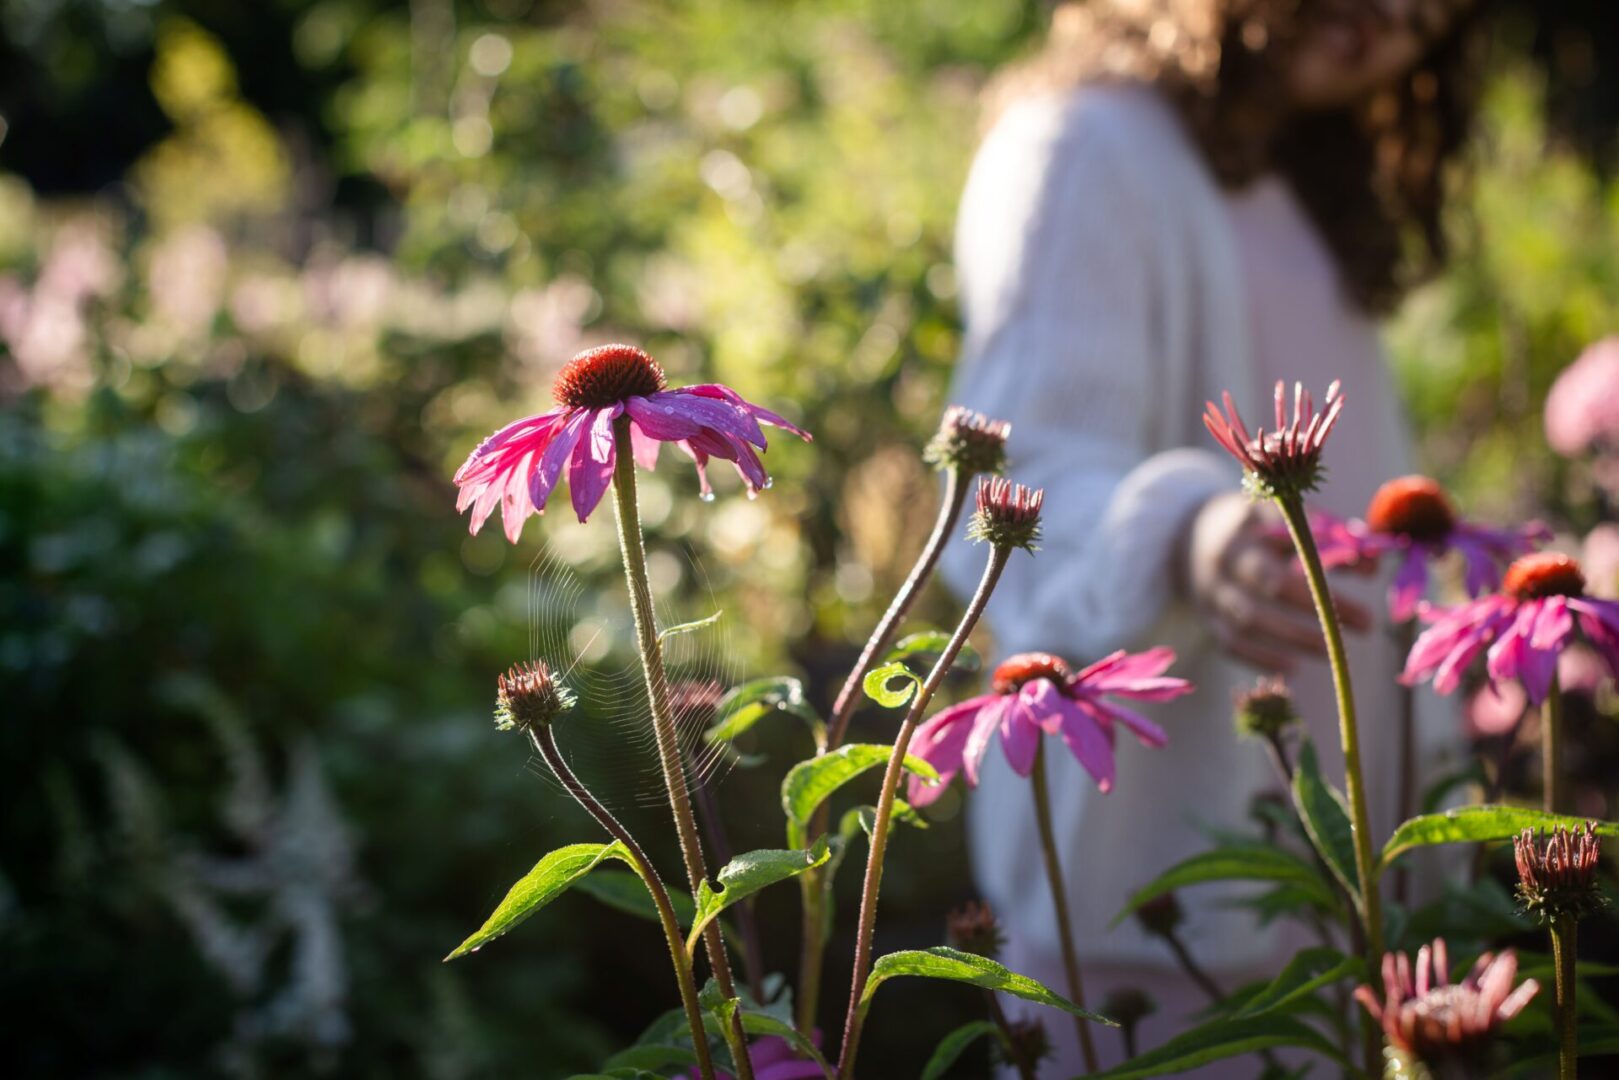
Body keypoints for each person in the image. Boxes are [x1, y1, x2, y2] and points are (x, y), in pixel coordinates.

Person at [937, 1, 1483, 1074]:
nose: (1383, 26)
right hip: (1149, 904)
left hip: (1338, 885)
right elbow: (1010, 473)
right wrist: (1183, 534)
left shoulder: (1293, 179)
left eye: (1424, 17)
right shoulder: (1082, 146)